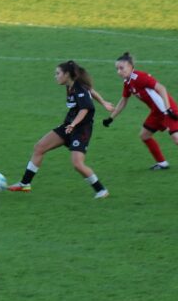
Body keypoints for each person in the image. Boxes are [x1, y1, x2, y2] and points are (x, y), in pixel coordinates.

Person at [8, 61, 113, 199]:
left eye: (58, 73)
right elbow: (91, 90)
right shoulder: (72, 85)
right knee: (39, 147)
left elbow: (85, 109)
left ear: (67, 74)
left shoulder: (78, 88)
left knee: (77, 164)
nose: (55, 76)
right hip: (68, 126)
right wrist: (103, 102)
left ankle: (101, 190)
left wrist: (74, 124)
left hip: (81, 129)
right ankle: (25, 183)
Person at [104, 52, 178, 171]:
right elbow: (124, 101)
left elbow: (161, 88)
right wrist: (111, 118)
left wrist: (168, 108)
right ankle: (162, 163)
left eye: (121, 68)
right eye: (117, 69)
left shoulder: (140, 77)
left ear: (130, 66)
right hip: (156, 112)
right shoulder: (128, 82)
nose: (119, 71)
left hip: (167, 110)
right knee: (144, 135)